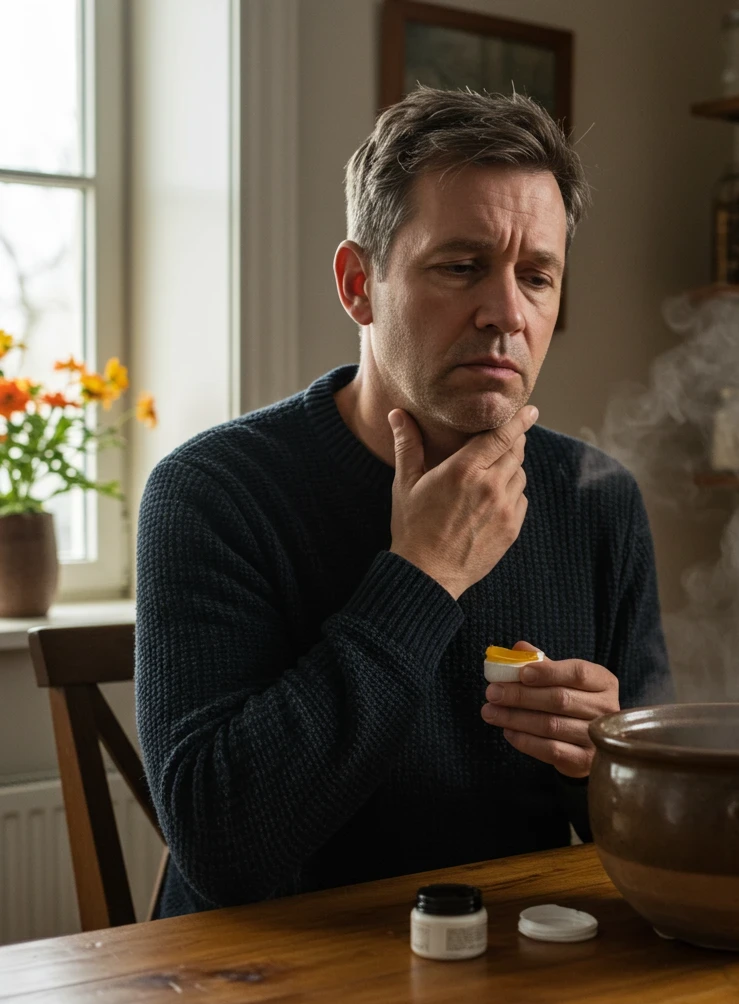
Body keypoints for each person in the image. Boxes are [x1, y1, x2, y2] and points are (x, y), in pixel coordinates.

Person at [136, 87, 670, 919]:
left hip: (509, 966)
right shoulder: (213, 493)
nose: (506, 314)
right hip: (264, 982)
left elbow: (646, 841)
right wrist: (422, 573)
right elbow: (223, 849)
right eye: (461, 267)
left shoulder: (595, 501)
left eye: (537, 276)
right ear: (359, 285)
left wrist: (606, 762)